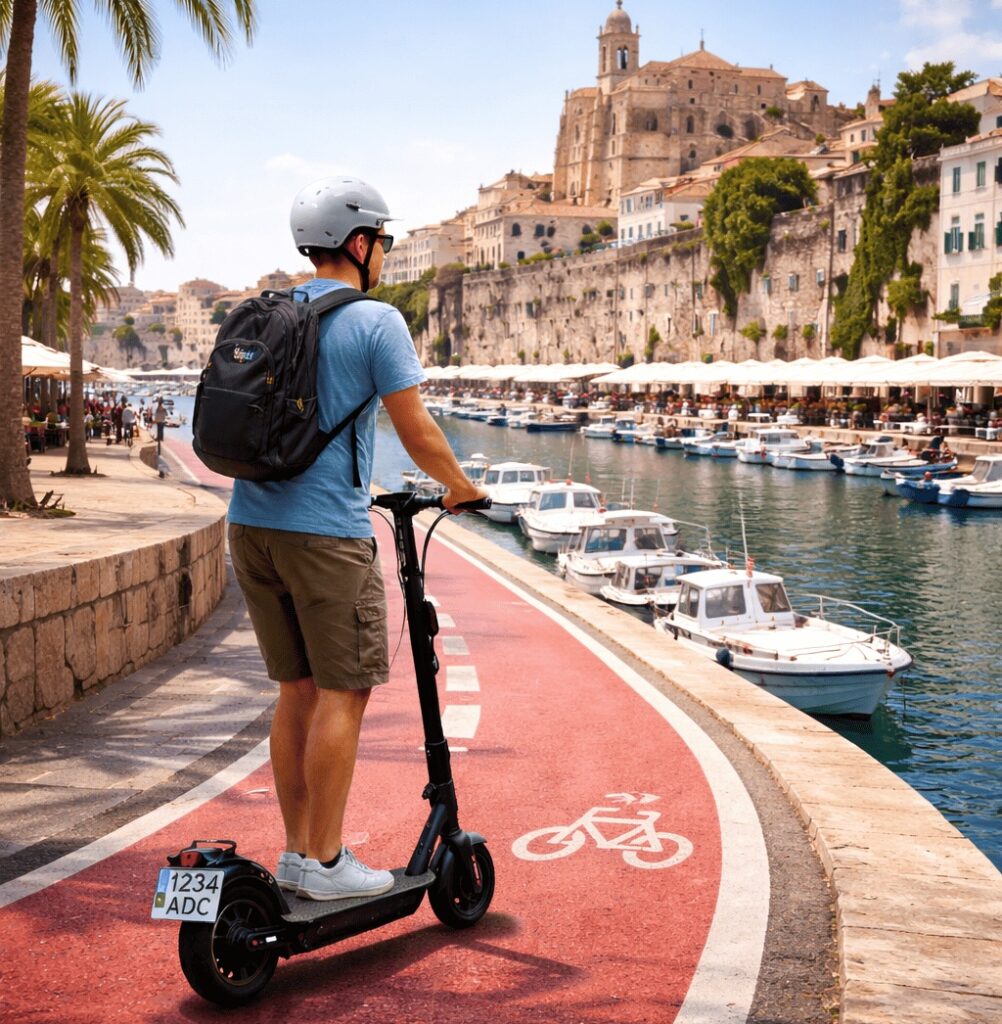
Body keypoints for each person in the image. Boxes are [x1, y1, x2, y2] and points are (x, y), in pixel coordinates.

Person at [227, 177, 486, 903]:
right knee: (344, 691)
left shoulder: (270, 313)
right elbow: (417, 430)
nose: (386, 254)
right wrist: (461, 486)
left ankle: (297, 854)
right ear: (361, 243)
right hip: (324, 537)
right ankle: (327, 858)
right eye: (384, 242)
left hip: (251, 527)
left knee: (296, 691)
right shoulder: (376, 321)